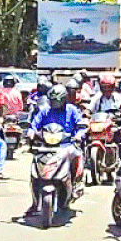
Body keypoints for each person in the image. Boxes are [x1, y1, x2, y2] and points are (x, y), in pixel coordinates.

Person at [26, 84, 85, 214]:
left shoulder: (72, 110)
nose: (54, 103)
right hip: (46, 145)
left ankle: (75, 183)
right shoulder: (45, 111)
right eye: (52, 101)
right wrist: (31, 132)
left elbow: (81, 126)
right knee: (35, 166)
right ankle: (35, 202)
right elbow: (34, 124)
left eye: (57, 101)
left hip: (66, 145)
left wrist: (79, 135)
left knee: (77, 154)